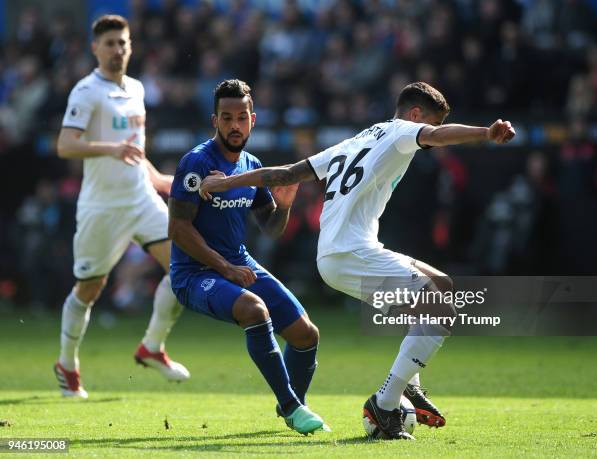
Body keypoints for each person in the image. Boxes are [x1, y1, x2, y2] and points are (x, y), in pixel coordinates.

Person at [199, 81, 515, 440]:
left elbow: (283, 175)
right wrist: (486, 133)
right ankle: (385, 402)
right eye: (433, 123)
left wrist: (227, 183)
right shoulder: (402, 132)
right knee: (441, 311)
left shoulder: (356, 141)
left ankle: (409, 386)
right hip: (350, 255)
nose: (433, 132)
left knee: (442, 287)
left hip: (343, 253)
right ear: (415, 115)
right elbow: (441, 137)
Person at [167, 79, 328, 435]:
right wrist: (225, 267)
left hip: (238, 263)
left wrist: (283, 206)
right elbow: (178, 229)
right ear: (215, 120)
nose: (235, 125)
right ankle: (291, 407)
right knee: (254, 310)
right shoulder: (196, 163)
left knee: (306, 335)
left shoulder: (251, 165)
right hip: (194, 273)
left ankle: (292, 405)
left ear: (253, 120)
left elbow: (271, 229)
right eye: (227, 118)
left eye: (242, 117)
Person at [54, 15, 189, 399]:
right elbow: (65, 144)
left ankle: (152, 346)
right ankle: (66, 364)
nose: (117, 49)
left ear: (131, 46)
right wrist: (110, 149)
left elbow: (133, 147)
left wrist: (156, 176)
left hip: (140, 198)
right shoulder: (86, 91)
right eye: (110, 43)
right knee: (89, 289)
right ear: (95, 48)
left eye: (123, 43)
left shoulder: (136, 89)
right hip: (102, 207)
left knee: (184, 268)